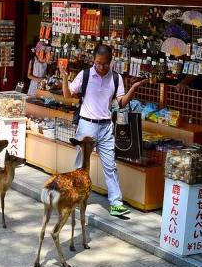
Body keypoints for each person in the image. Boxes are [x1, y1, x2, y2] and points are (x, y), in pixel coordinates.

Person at [60, 44, 148, 217]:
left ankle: (116, 203)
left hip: (106, 126)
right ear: (93, 60)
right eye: (98, 63)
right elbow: (67, 95)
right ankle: (76, 196)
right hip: (87, 125)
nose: (101, 67)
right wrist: (64, 78)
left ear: (110, 61)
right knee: (81, 165)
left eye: (105, 64)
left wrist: (133, 89)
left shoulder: (116, 78)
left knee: (110, 166)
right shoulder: (85, 75)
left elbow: (121, 103)